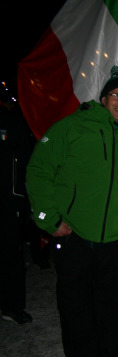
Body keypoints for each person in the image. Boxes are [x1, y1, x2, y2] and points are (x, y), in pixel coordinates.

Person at [26, 66, 118, 357]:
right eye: (117, 96)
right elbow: (38, 171)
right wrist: (49, 219)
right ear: (104, 98)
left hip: (114, 241)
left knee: (115, 306)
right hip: (74, 236)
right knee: (76, 306)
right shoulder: (71, 128)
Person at [0, 96, 34, 325]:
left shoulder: (12, 123)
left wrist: (21, 199)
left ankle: (12, 306)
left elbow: (24, 162)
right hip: (10, 199)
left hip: (7, 202)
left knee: (10, 253)